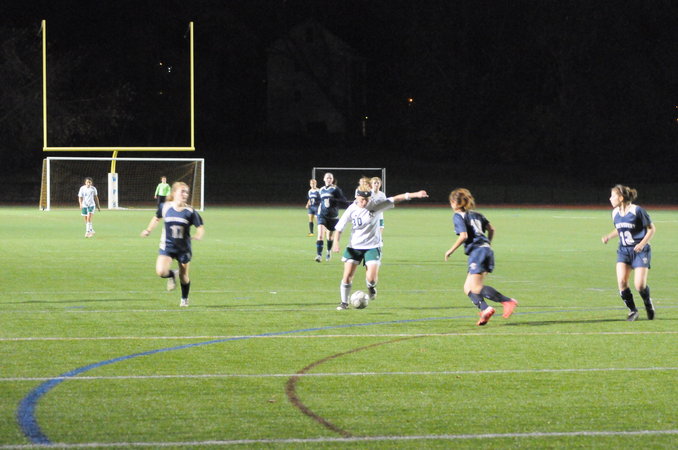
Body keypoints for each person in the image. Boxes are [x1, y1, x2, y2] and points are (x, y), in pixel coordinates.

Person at [332, 181, 428, 310]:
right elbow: (339, 228)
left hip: (372, 246)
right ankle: (344, 303)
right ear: (356, 197)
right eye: (362, 199)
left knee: (371, 279)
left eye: (367, 200)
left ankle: (371, 286)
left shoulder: (376, 205)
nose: (364, 202)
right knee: (347, 276)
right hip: (354, 246)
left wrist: (416, 194)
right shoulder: (351, 209)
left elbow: (396, 198)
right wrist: (336, 243)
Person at [444, 188, 518, 326]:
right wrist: (487, 244)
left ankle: (507, 301)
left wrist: (450, 250)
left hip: (477, 252)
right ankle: (485, 309)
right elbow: (491, 229)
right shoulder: (477, 214)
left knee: (476, 288)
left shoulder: (458, 216)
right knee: (468, 287)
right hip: (485, 250)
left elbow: (464, 236)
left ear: (454, 202)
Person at [141, 181, 204, 307]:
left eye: (187, 192)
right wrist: (148, 230)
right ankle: (172, 274)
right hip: (167, 246)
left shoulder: (190, 211)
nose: (185, 194)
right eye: (182, 191)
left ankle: (184, 298)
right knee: (161, 272)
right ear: (174, 193)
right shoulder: (165, 207)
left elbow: (200, 227)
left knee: (184, 276)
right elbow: (156, 218)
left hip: (183, 248)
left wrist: (198, 235)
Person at [601, 184, 656, 321]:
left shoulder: (637, 211)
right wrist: (609, 236)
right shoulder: (615, 213)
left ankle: (648, 303)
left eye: (612, 196)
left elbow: (651, 229)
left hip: (640, 251)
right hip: (624, 251)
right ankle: (633, 311)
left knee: (639, 285)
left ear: (621, 198)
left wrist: (641, 244)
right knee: (622, 282)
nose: (610, 199)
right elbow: (620, 229)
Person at [315, 172, 349, 262]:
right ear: (324, 179)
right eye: (327, 178)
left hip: (333, 217)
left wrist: (334, 200)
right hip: (322, 215)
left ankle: (329, 251)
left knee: (330, 237)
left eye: (330, 178)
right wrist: (317, 212)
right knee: (320, 235)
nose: (329, 179)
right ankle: (319, 255)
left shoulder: (336, 189)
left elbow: (344, 201)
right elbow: (320, 202)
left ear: (332, 179)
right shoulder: (321, 190)